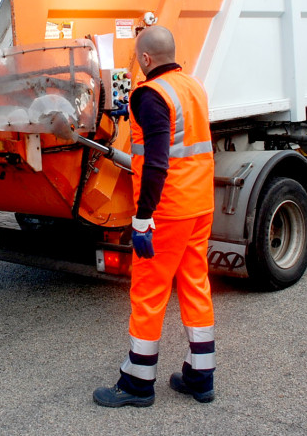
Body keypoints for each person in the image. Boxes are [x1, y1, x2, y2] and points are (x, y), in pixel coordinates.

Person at [93, 25, 216, 407]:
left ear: (146, 59)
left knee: (148, 292)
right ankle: (200, 376)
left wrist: (143, 217)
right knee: (195, 285)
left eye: (137, 58)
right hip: (199, 204)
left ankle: (137, 382)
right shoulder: (193, 86)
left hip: (168, 210)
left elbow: (158, 161)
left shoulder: (150, 95)